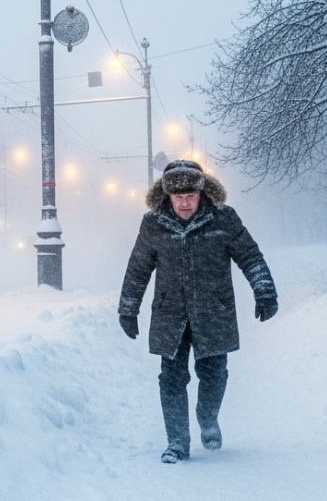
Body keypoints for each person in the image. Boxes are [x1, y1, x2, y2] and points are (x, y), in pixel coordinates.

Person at [118, 160, 278, 464]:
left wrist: (265, 291)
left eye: (190, 195)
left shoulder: (223, 219)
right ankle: (177, 442)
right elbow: (138, 269)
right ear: (167, 196)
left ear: (201, 191)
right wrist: (128, 309)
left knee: (214, 375)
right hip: (171, 315)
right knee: (171, 380)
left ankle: (207, 418)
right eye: (178, 197)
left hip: (213, 312)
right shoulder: (153, 224)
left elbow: (251, 257)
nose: (185, 202)